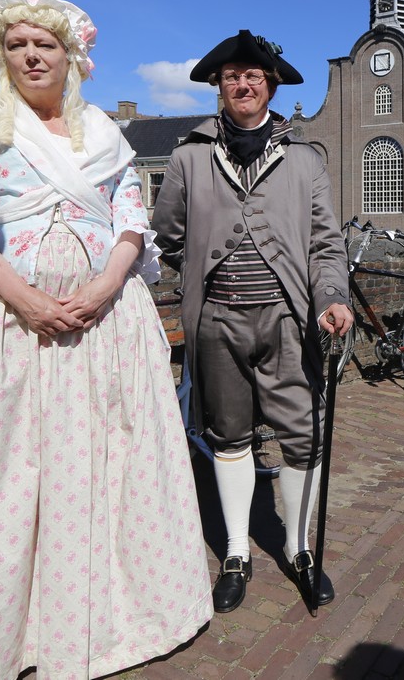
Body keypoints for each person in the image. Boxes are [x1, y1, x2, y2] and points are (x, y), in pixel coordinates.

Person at [0, 0, 212, 678]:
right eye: (17, 44)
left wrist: (105, 286)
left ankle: (93, 622)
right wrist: (24, 299)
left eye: (44, 44)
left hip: (100, 325)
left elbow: (130, 220)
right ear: (1, 52)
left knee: (94, 468)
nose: (30, 55)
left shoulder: (105, 135)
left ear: (70, 54)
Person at [151, 30, 354, 614]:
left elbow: (325, 245)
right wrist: (200, 274)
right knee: (229, 435)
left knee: (303, 435)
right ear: (220, 86)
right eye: (233, 76)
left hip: (288, 320)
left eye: (254, 76)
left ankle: (298, 547)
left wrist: (331, 296)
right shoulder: (189, 157)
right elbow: (167, 236)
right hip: (216, 321)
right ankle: (237, 551)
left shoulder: (306, 161)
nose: (243, 84)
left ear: (270, 85)